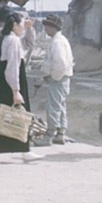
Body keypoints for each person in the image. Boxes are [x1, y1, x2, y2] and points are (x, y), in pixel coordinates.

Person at [0, 12, 43, 165]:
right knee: (2, 117)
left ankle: (25, 150)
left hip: (10, 82)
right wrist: (15, 90)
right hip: (9, 84)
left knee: (20, 116)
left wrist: (30, 29)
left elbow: (29, 44)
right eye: (21, 25)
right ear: (14, 25)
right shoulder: (12, 40)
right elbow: (11, 67)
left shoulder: (13, 38)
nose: (23, 28)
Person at [35, 14, 74, 146]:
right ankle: (60, 133)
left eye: (47, 27)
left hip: (58, 78)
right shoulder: (60, 40)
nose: (45, 30)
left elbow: (60, 63)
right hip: (62, 78)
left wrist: (53, 76)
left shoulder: (58, 42)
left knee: (53, 107)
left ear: (53, 28)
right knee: (60, 106)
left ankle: (49, 135)